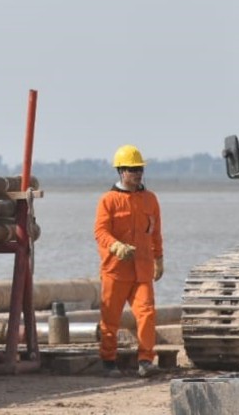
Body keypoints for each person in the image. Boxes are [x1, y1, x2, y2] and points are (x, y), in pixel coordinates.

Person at [94, 144, 164, 378]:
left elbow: (155, 232)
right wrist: (115, 246)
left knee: (147, 314)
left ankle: (145, 360)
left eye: (140, 169)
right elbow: (100, 231)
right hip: (115, 271)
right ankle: (108, 361)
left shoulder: (150, 199)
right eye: (133, 169)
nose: (137, 173)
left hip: (142, 270)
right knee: (110, 319)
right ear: (121, 172)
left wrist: (159, 258)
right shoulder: (108, 200)